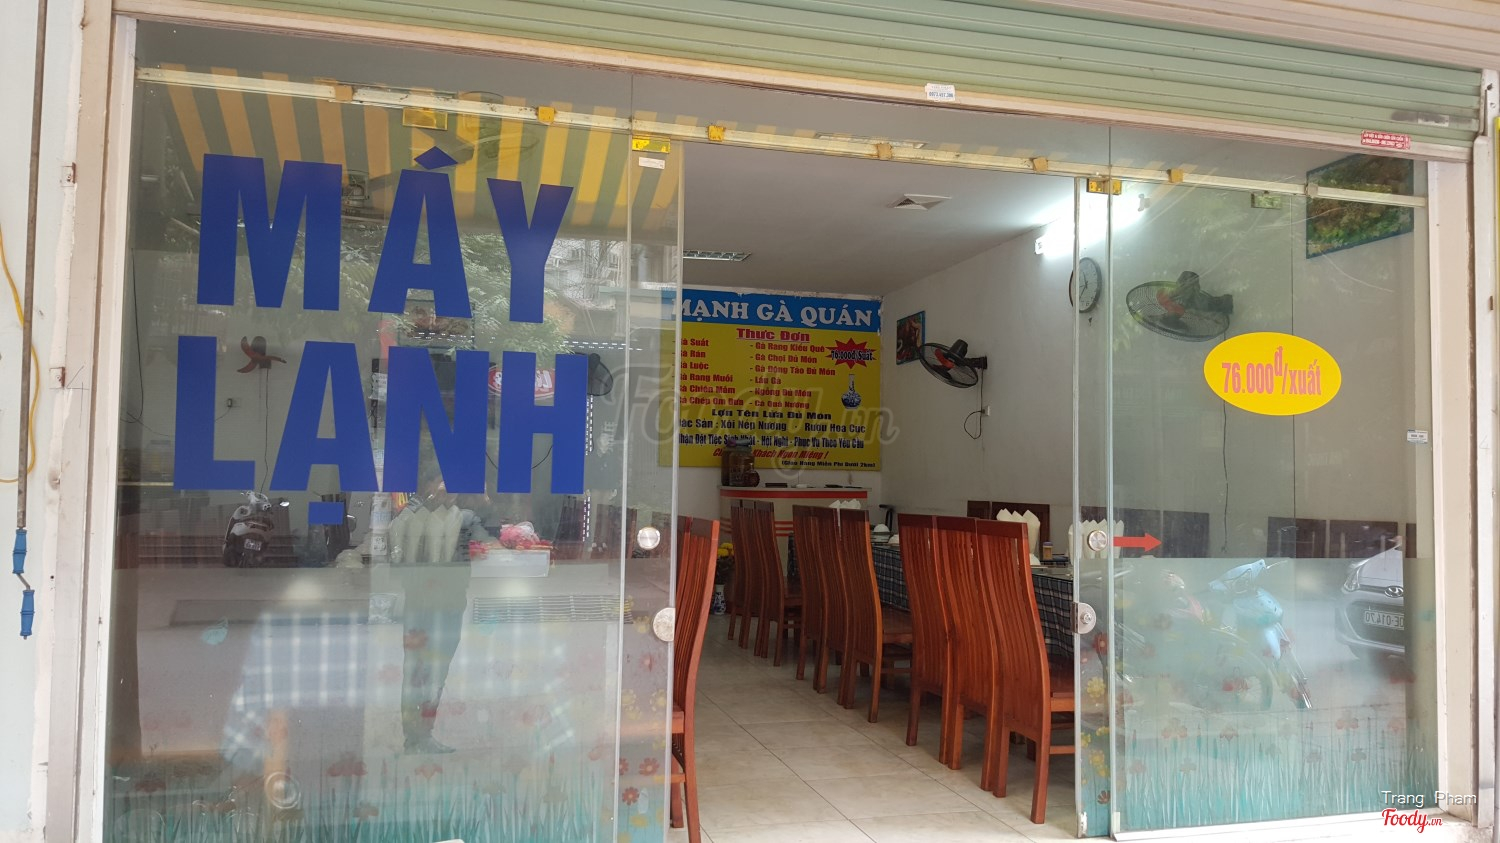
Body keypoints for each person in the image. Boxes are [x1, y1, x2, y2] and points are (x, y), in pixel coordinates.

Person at [396, 474, 492, 753]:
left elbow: (488, 538)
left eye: (452, 486)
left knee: (437, 671)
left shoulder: (465, 517)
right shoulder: (412, 512)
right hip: (419, 603)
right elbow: (400, 536)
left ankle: (423, 734)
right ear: (427, 485)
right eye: (441, 484)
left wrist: (483, 499)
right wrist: (431, 502)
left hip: (450, 603)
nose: (448, 491)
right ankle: (412, 735)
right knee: (415, 669)